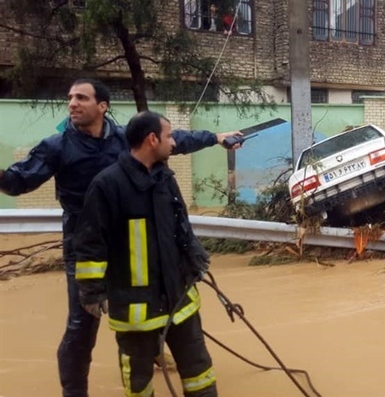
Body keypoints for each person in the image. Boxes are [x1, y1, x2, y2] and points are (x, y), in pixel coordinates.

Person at [0, 78, 241, 397]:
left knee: (152, 303)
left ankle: (150, 351)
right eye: (70, 97)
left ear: (102, 106)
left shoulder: (123, 139)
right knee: (82, 326)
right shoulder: (57, 147)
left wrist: (215, 137)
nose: (72, 103)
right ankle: (75, 391)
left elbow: (173, 139)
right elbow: (18, 182)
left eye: (81, 98)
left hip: (135, 245)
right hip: (86, 245)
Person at [73, 110, 216, 397]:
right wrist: (91, 290)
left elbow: (182, 227)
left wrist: (194, 257)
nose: (173, 143)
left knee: (200, 374)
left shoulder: (165, 179)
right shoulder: (107, 185)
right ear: (152, 139)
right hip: (135, 310)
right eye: (169, 136)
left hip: (179, 302)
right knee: (139, 383)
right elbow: (90, 242)